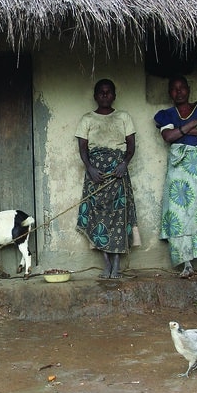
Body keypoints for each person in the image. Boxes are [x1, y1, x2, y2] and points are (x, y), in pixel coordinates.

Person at [154, 75, 197, 279]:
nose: (179, 92)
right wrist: (192, 124)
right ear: (170, 93)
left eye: (182, 87)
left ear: (188, 89)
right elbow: (168, 137)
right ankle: (186, 264)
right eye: (174, 89)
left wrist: (179, 130)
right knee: (179, 214)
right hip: (177, 170)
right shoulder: (166, 114)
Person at [75, 78, 137, 279]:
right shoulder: (87, 119)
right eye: (101, 92)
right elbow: (83, 149)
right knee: (97, 216)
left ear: (114, 95)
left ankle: (117, 262)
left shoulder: (123, 117)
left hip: (117, 173)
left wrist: (124, 164)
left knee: (119, 216)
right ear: (95, 96)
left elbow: (131, 146)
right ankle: (106, 263)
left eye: (108, 91)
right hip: (96, 175)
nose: (104, 95)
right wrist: (90, 169)